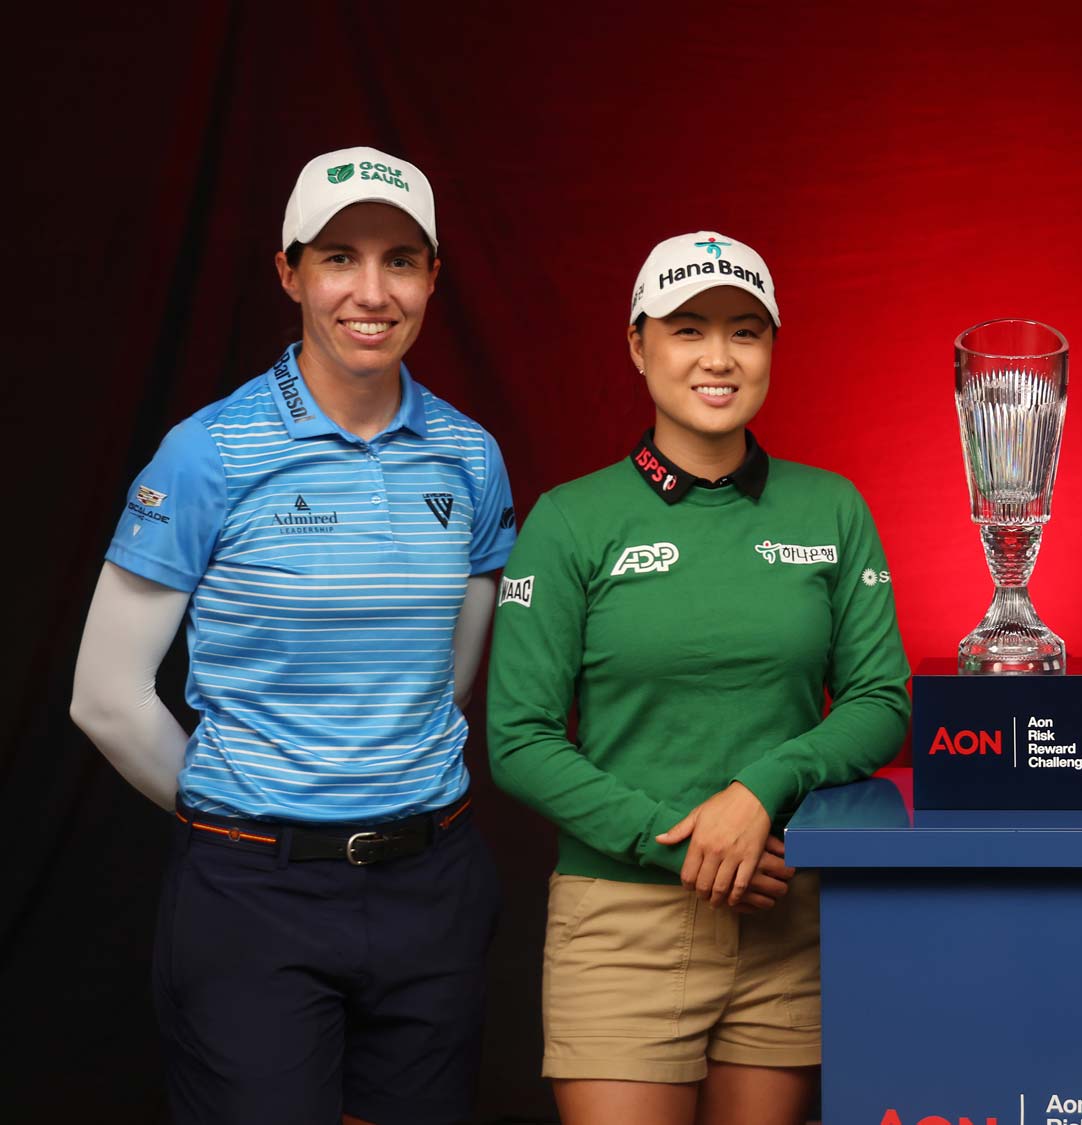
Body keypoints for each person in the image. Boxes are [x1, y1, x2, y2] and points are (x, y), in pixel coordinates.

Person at [69, 146, 516, 1124]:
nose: (371, 290)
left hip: (429, 886)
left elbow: (448, 680)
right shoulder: (207, 452)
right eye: (338, 257)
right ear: (289, 271)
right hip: (251, 896)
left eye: (400, 260)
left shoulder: (471, 457)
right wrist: (246, 808)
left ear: (432, 277)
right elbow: (104, 696)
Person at [485, 231, 910, 1125]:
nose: (718, 356)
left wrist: (764, 787)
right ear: (639, 345)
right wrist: (673, 842)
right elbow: (518, 740)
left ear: (770, 350)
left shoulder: (832, 507)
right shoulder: (570, 520)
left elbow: (880, 701)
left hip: (785, 911)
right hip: (622, 921)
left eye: (745, 330)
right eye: (688, 328)